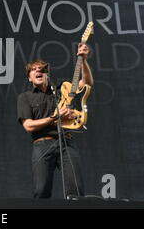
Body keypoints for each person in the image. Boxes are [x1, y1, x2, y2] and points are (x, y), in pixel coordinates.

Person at [17, 43, 93, 199]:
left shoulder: (61, 90)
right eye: (34, 69)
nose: (38, 71)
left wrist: (83, 60)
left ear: (47, 74)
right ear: (29, 77)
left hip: (66, 141)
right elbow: (28, 126)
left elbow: (86, 83)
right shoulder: (25, 97)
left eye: (42, 69)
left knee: (76, 190)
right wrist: (55, 117)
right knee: (42, 190)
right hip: (42, 144)